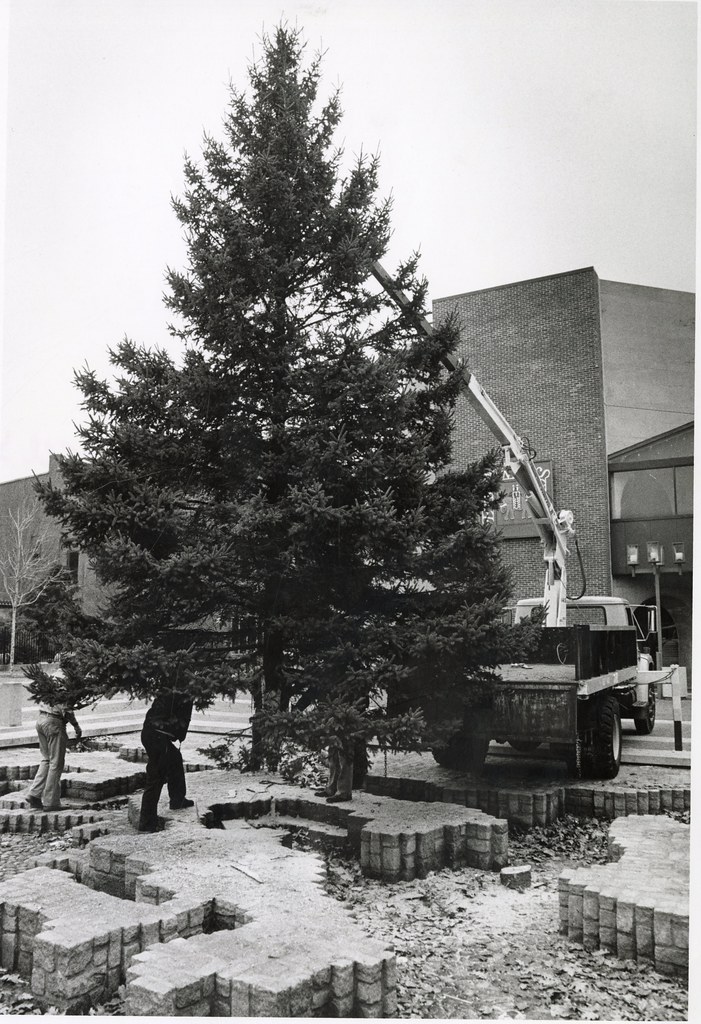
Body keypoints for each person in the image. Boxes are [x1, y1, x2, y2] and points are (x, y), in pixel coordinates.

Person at [138, 689, 194, 832]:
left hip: (151, 733)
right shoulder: (185, 695)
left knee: (175, 758)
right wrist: (180, 735)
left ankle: (178, 799)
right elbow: (182, 723)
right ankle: (146, 823)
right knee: (156, 776)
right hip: (157, 736)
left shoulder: (172, 688)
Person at [25, 699, 82, 811]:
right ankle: (51, 802)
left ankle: (34, 794)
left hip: (41, 719)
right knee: (56, 762)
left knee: (46, 759)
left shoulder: (49, 682)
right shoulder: (64, 684)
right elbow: (67, 709)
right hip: (53, 722)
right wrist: (76, 725)